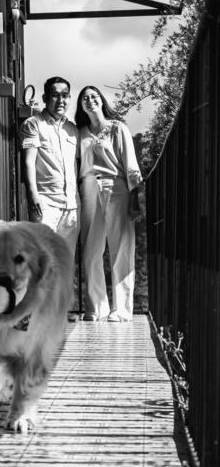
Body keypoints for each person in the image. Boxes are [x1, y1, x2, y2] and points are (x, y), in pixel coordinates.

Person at [75, 86, 143, 322]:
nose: (90, 100)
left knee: (121, 248)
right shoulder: (79, 132)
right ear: (81, 105)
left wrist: (135, 196)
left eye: (94, 96)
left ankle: (121, 310)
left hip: (116, 188)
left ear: (101, 100)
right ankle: (96, 308)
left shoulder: (117, 127)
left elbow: (130, 163)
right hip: (88, 190)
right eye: (85, 98)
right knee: (90, 252)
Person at [20, 76, 80, 246]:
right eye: (55, 95)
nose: (61, 100)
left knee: (66, 261)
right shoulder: (33, 124)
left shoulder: (73, 129)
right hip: (45, 204)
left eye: (65, 95)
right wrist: (33, 195)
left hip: (72, 205)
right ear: (45, 98)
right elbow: (29, 162)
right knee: (42, 257)